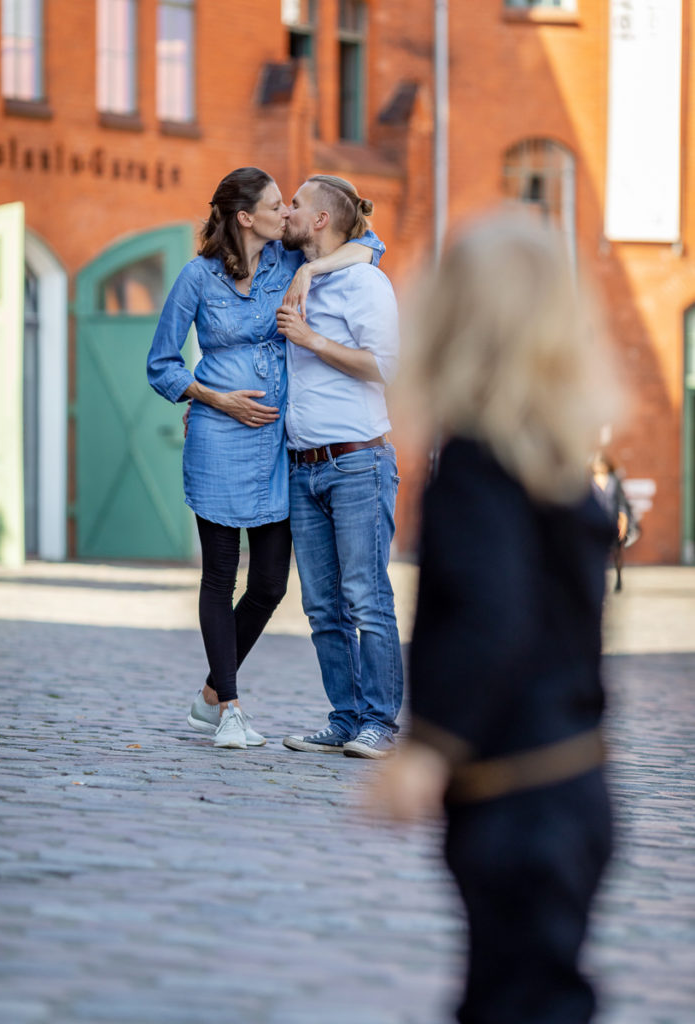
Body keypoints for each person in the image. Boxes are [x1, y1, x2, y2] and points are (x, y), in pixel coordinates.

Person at [367, 211, 622, 1022]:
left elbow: (489, 614)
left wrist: (428, 748)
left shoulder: (476, 465)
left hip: (513, 792)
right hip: (573, 782)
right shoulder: (559, 470)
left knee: (519, 1000)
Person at [147, 167, 383, 750]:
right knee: (220, 577)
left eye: (288, 204)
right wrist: (211, 397)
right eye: (276, 205)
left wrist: (310, 266)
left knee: (272, 585)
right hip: (218, 438)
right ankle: (229, 708)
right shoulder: (196, 279)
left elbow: (368, 242)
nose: (286, 212)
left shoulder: (287, 261)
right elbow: (162, 364)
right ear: (245, 217)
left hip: (278, 447)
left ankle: (207, 695)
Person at [276, 175, 404, 760]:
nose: (287, 213)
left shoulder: (366, 283)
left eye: (296, 205)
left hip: (358, 463)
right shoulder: (292, 266)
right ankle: (345, 718)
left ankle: (380, 722)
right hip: (303, 468)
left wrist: (311, 339)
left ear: (322, 219)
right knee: (321, 605)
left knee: (366, 596)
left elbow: (387, 368)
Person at [591, 451, 637, 592]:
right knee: (597, 554)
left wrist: (623, 521)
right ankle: (598, 582)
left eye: (602, 464)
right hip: (596, 522)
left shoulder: (614, 481)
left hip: (612, 521)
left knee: (616, 552)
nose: (599, 467)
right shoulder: (590, 481)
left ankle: (618, 579)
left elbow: (621, 502)